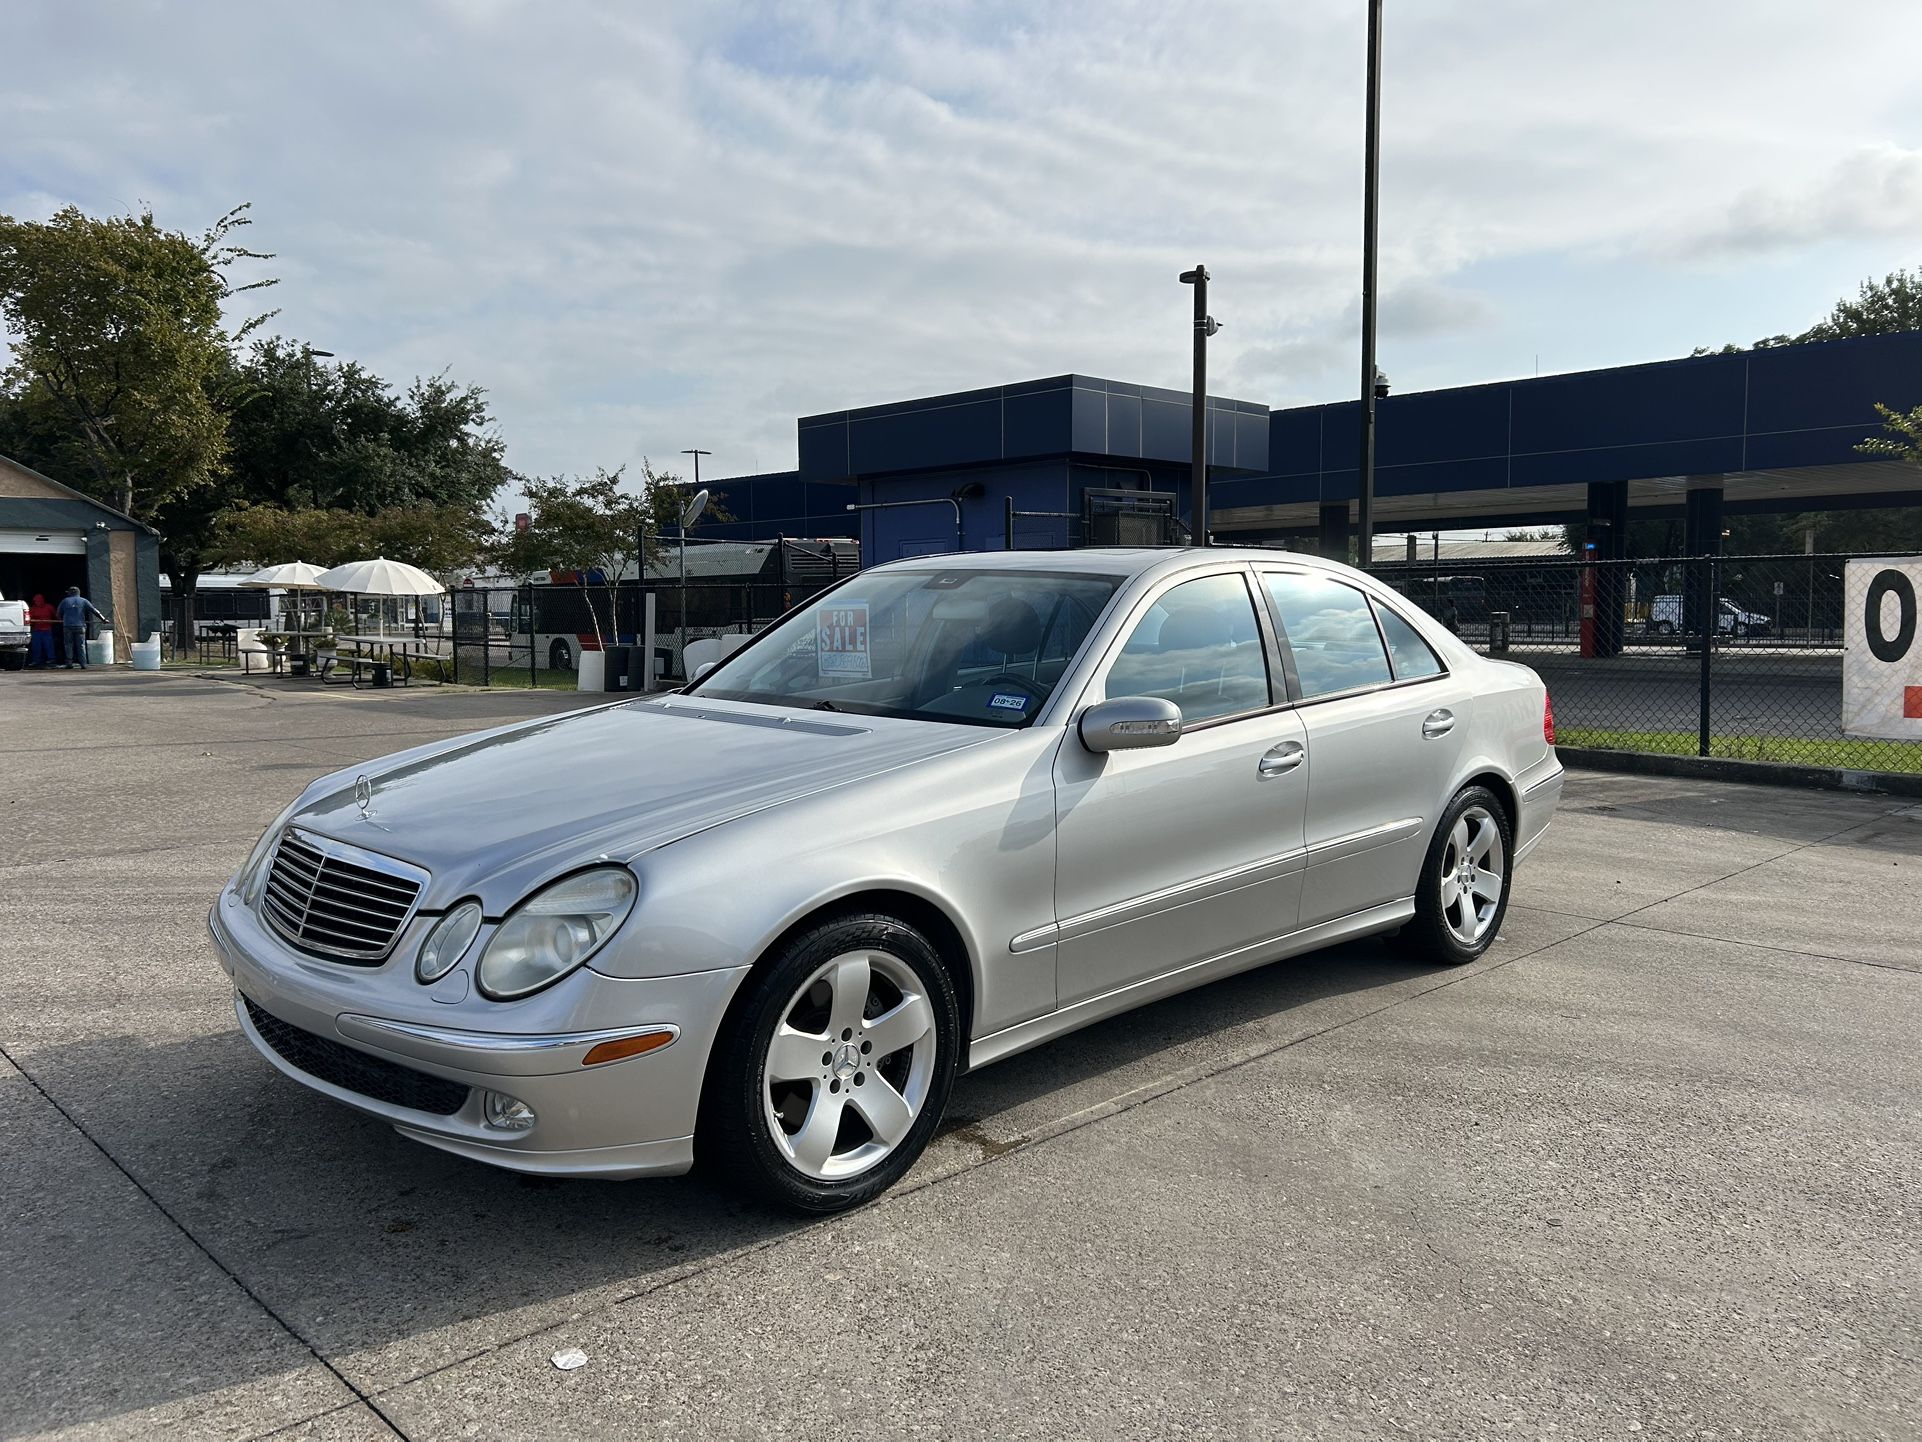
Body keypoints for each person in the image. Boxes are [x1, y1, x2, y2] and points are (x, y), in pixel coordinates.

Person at [56, 586, 110, 669]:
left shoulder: (65, 601)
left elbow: (58, 614)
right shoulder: (84, 601)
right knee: (81, 645)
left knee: (68, 645)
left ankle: (69, 663)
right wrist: (103, 619)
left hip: (68, 626)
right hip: (80, 626)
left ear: (70, 593)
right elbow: (94, 610)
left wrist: (63, 620)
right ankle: (83, 664)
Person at [26, 593, 57, 667]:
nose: (37, 602)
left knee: (49, 646)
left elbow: (56, 615)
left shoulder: (49, 607)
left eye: (38, 600)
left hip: (47, 630)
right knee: (36, 647)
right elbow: (29, 619)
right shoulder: (33, 609)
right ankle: (36, 660)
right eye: (36, 601)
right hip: (37, 631)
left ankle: (51, 660)